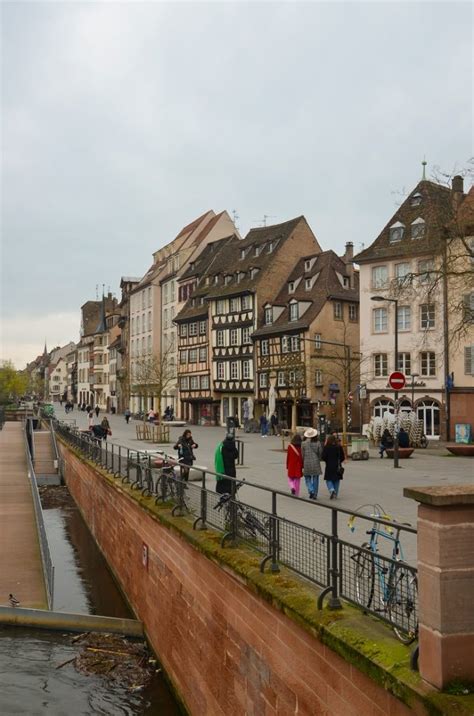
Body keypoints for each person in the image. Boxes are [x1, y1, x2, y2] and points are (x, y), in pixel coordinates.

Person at [321, 434, 346, 499]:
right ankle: (335, 494)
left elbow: (323, 457)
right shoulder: (339, 447)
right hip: (337, 466)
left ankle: (332, 490)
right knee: (337, 480)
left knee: (328, 479)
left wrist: (327, 460)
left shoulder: (326, 447)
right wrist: (339, 461)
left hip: (329, 466)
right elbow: (343, 457)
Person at [302, 428, 322, 500]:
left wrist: (302, 462)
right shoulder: (318, 443)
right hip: (316, 462)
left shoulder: (303, 443)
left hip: (306, 462)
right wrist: (318, 459)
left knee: (307, 477)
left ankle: (311, 490)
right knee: (315, 478)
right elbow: (320, 453)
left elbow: (302, 454)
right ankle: (315, 494)